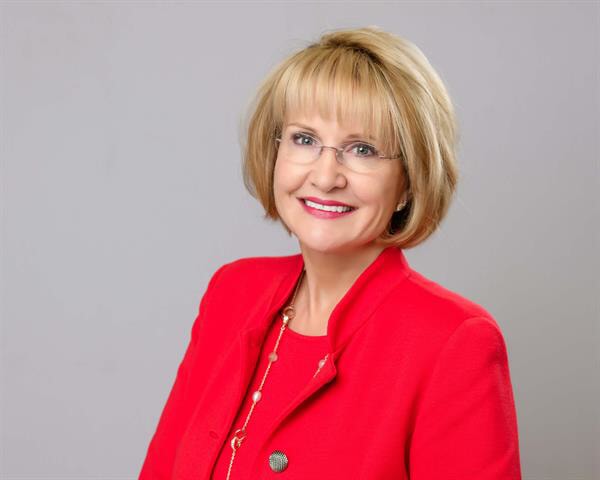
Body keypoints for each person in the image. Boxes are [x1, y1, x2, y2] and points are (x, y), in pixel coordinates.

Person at [139, 26, 522, 480]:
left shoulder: (455, 341)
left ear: (408, 183)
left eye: (362, 150)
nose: (325, 176)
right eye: (304, 139)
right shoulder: (232, 292)